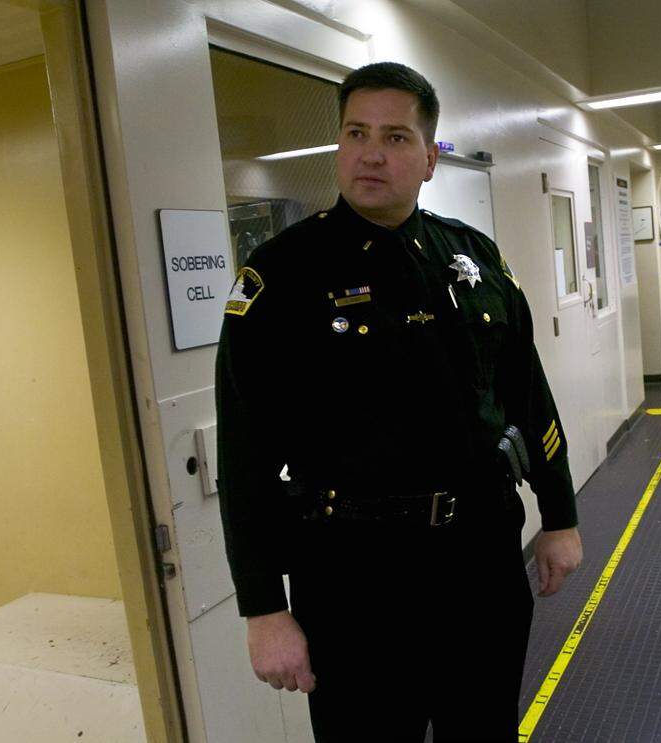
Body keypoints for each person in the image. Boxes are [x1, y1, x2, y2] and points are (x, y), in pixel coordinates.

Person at [215, 61, 583, 742]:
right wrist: (263, 607)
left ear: (430, 159)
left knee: (484, 725)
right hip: (353, 573)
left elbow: (527, 394)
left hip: (480, 557)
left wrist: (559, 514)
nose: (372, 153)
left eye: (395, 136)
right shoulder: (283, 276)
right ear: (338, 147)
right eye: (356, 133)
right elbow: (244, 457)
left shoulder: (472, 259)